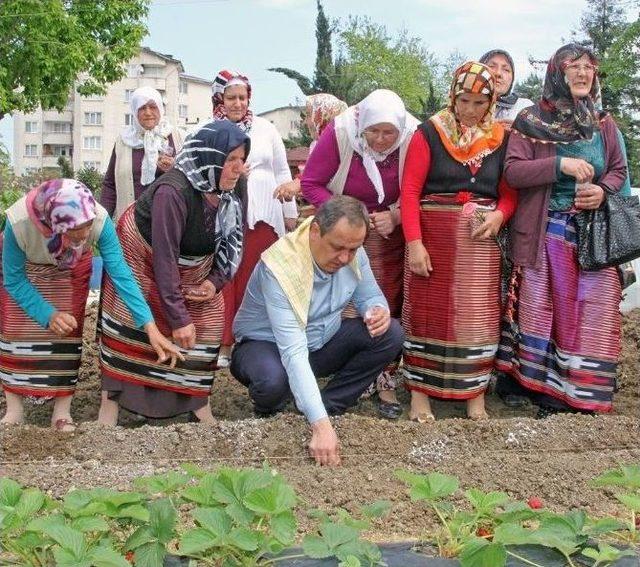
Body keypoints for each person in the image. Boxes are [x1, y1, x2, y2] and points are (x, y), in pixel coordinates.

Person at [495, 44, 627, 417]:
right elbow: (514, 172)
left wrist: (602, 191)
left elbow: (618, 170)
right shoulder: (530, 121)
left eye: (589, 68)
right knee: (541, 311)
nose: (584, 74)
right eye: (575, 67)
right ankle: (542, 390)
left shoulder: (604, 123)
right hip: (545, 233)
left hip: (591, 236)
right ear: (557, 72)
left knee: (591, 312)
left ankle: (582, 392)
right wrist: (560, 165)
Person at [231, 196, 404, 465]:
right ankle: (273, 410)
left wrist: (376, 310)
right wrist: (321, 428)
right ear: (315, 231)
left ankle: (328, 404)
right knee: (273, 382)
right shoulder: (280, 267)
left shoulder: (352, 253)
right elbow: (293, 352)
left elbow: (370, 295)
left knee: (390, 333)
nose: (345, 258)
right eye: (337, 247)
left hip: (321, 343)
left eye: (353, 249)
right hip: (266, 347)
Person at [97, 120, 250, 425]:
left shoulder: (235, 185)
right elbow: (164, 258)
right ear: (210, 156)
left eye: (242, 159)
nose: (238, 167)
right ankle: (110, 404)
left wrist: (214, 282)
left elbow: (234, 239)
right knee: (132, 320)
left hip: (196, 261)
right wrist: (178, 318)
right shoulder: (173, 191)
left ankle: (196, 403)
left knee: (206, 323)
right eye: (231, 159)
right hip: (141, 251)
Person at [0, 179, 181, 430]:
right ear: (57, 223)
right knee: (15, 328)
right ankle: (15, 410)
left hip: (71, 266)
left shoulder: (97, 217)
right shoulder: (19, 223)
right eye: (78, 228)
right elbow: (14, 280)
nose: (86, 234)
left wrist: (149, 325)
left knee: (67, 331)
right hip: (27, 267)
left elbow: (120, 272)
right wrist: (47, 314)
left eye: (88, 226)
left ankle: (62, 412)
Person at [401, 61, 517, 422]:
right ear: (453, 96)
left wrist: (500, 216)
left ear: (491, 102)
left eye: (479, 103)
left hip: (479, 243)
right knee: (425, 314)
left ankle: (474, 395)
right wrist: (414, 243)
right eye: (464, 100)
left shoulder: (500, 138)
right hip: (432, 237)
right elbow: (409, 191)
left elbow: (508, 193)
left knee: (476, 318)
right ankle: (420, 394)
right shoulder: (430, 133)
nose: (470, 110)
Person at [301, 89, 419, 419]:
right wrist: (350, 218)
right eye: (373, 131)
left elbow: (418, 188)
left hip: (387, 233)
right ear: (362, 126)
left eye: (388, 132)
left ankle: (385, 379)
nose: (381, 139)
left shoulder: (413, 137)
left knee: (387, 303)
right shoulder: (340, 133)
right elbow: (311, 182)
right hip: (341, 233)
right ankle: (345, 379)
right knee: (343, 307)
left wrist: (395, 215)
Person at [211, 70, 298, 366]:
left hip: (263, 212)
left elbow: (283, 171)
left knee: (255, 274)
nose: (237, 103)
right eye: (231, 97)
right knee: (226, 275)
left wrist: (289, 213)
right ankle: (223, 342)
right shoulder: (210, 129)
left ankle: (253, 340)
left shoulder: (265, 129)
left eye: (242, 98)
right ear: (220, 99)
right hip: (225, 213)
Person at [101, 86, 183, 220]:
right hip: (132, 224)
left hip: (170, 222)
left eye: (153, 107)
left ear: (160, 109)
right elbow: (110, 185)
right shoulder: (123, 141)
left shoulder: (177, 137)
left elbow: (193, 178)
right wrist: (104, 223)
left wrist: (174, 168)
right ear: (134, 111)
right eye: (142, 108)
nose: (148, 112)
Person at [273, 93, 348, 203]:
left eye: (309, 115)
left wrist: (299, 184)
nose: (305, 122)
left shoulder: (338, 142)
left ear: (322, 116)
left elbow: (321, 171)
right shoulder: (317, 144)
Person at [479, 49, 533, 126]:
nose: (498, 73)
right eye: (491, 66)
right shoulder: (462, 102)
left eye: (506, 70)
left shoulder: (525, 107)